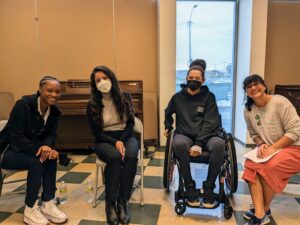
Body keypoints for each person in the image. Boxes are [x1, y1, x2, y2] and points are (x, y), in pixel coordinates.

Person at [1, 76, 68, 225]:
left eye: (57, 91)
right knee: (37, 161)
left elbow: (51, 134)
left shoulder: (54, 111)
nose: (54, 94)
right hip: (8, 151)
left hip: (28, 150)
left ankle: (48, 203)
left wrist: (48, 147)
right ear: (40, 90)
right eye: (49, 90)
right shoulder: (23, 105)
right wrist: (41, 148)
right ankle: (30, 208)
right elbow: (15, 137)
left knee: (49, 157)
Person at [164, 62, 225, 208]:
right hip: (185, 134)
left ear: (203, 80)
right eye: (190, 77)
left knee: (219, 145)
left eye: (197, 78)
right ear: (186, 78)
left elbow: (211, 122)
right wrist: (168, 125)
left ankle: (209, 187)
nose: (193, 80)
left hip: (208, 135)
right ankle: (189, 186)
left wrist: (198, 143)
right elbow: (168, 112)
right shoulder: (177, 97)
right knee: (177, 144)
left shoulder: (209, 97)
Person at [242, 74, 300, 225]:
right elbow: (253, 134)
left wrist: (273, 148)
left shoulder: (279, 102)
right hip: (269, 149)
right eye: (249, 87)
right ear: (246, 92)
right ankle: (261, 211)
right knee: (250, 165)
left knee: (269, 166)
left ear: (264, 86)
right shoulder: (248, 110)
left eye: (256, 84)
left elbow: (295, 131)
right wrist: (261, 144)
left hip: (294, 147)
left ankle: (262, 212)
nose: (253, 88)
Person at [87, 66, 139, 225]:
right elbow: (96, 133)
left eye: (105, 77)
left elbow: (130, 123)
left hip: (125, 136)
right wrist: (115, 142)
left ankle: (122, 201)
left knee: (130, 156)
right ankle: (110, 204)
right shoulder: (92, 104)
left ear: (112, 78)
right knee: (115, 158)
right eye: (98, 80)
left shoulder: (125, 97)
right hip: (104, 139)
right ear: (94, 84)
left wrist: (121, 140)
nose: (102, 82)